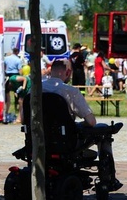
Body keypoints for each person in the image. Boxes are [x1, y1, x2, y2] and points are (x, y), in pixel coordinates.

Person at [42, 59, 121, 192]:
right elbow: (91, 122)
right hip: (65, 142)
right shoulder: (69, 91)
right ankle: (108, 179)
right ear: (67, 72)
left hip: (40, 139)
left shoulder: (34, 90)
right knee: (103, 131)